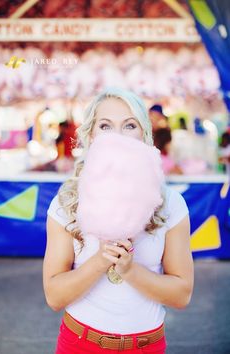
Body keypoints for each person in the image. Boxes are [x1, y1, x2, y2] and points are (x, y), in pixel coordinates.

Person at [43, 87, 194, 354]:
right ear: (91, 135)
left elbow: (182, 295)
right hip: (80, 343)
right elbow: (54, 296)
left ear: (144, 134)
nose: (118, 136)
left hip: (146, 345)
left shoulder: (170, 204)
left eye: (129, 125)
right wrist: (101, 260)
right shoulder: (66, 203)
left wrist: (130, 271)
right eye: (105, 126)